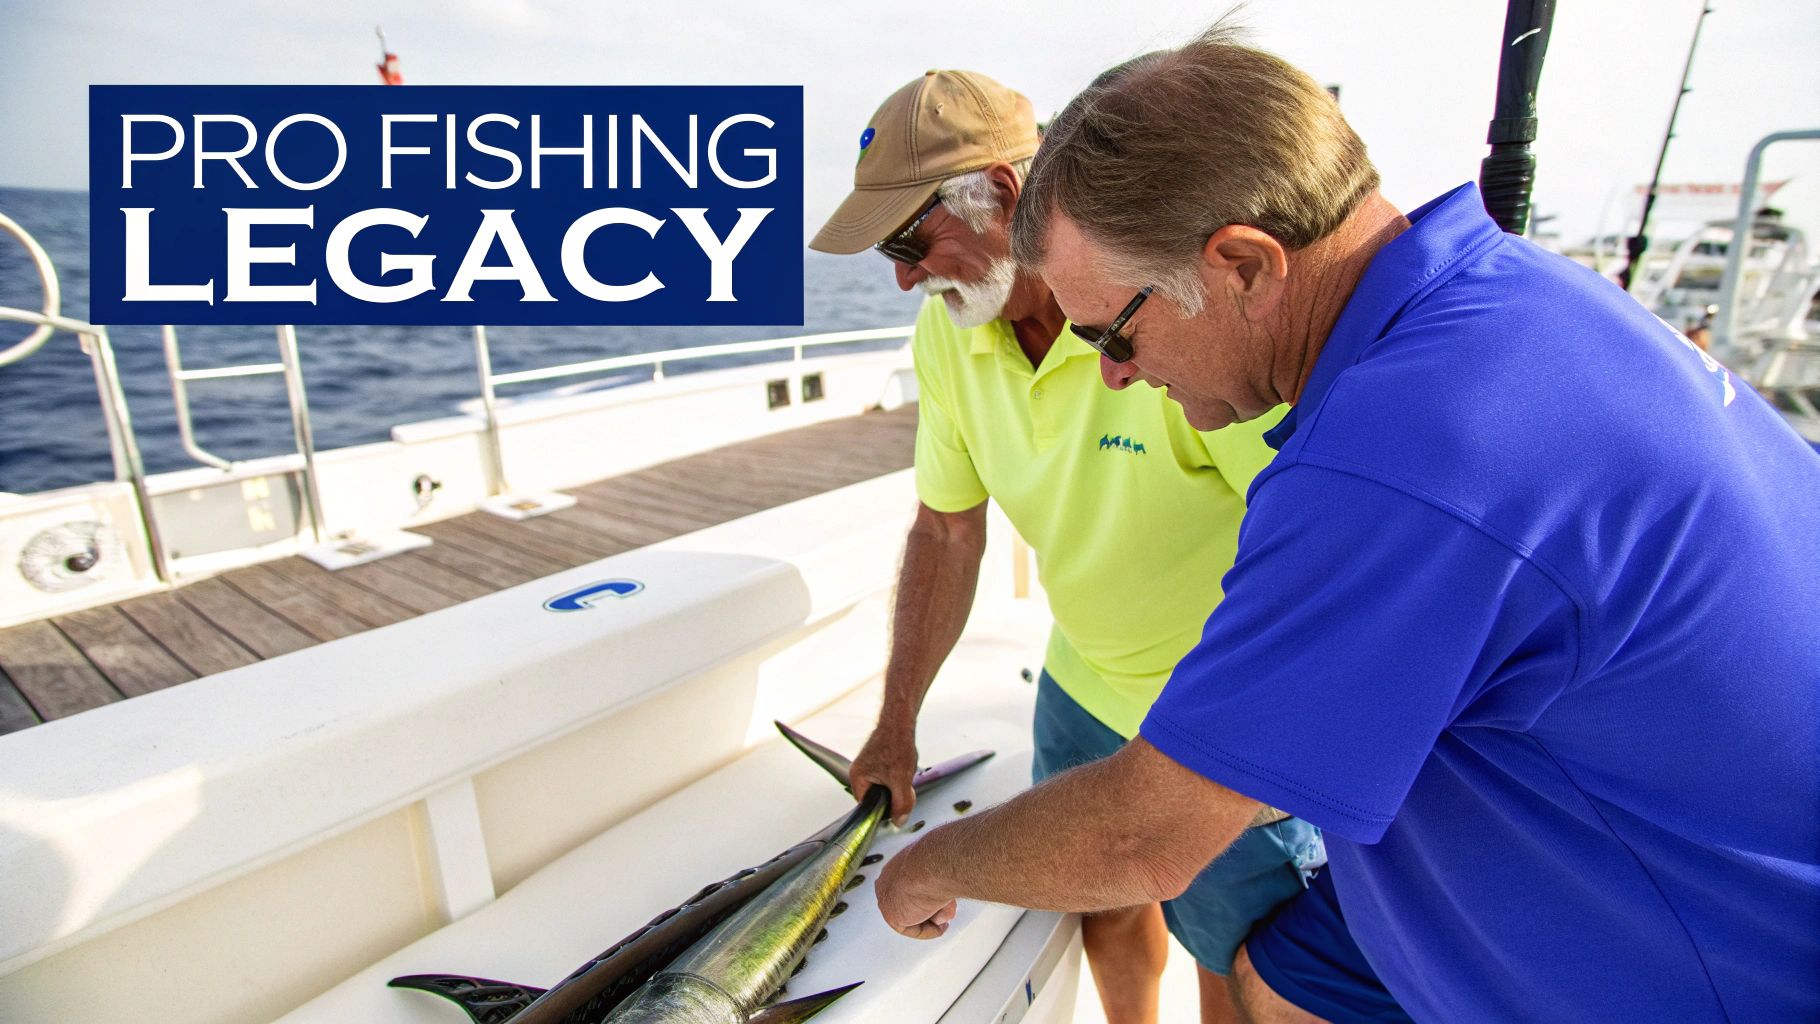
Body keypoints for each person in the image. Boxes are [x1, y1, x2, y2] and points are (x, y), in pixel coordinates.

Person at [872, 27, 1820, 1024]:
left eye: (1115, 331)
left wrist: (923, 867)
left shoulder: (1400, 453)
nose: (1109, 373)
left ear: (1242, 264)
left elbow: (1142, 838)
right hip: (1643, 839)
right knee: (1280, 975)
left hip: (1705, 970)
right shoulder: (1509, 296)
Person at [807, 69, 1325, 1024]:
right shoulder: (946, 337)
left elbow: (1309, 539)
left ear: (1004, 196)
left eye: (909, 240)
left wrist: (1241, 748)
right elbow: (946, 526)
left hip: (1210, 712)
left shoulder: (1167, 313)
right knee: (1106, 906)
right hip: (1079, 678)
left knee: (1235, 965)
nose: (904, 276)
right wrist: (895, 721)